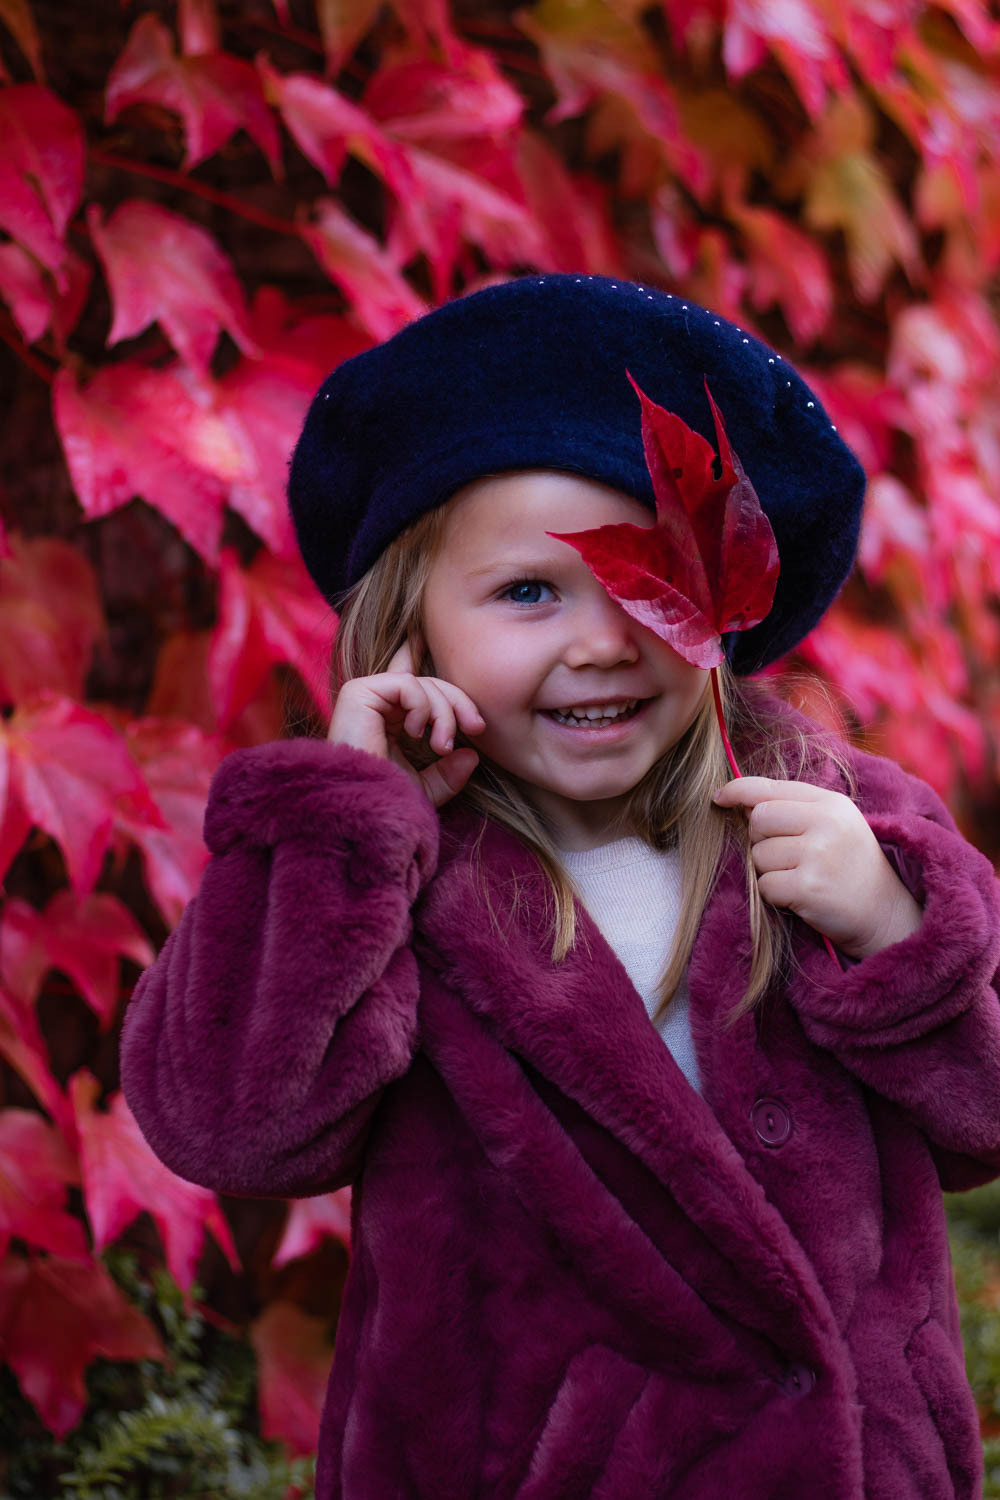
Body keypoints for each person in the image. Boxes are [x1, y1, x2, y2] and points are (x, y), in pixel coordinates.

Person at [120, 275, 1000, 1500]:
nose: (602, 640)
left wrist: (895, 936)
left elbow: (985, 1120)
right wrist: (342, 833)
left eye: (654, 586)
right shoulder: (377, 874)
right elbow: (234, 1127)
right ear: (407, 630)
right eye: (530, 591)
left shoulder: (854, 827)